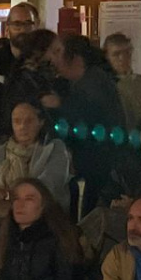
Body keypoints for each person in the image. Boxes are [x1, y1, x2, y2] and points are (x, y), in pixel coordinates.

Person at [55, 36, 126, 208]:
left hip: (94, 166)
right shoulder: (92, 81)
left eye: (59, 54)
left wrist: (58, 107)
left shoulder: (91, 87)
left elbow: (83, 126)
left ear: (76, 59)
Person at [0, 100, 72, 216]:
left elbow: (48, 186)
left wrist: (5, 195)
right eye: (17, 121)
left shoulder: (54, 149)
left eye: (29, 121)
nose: (22, 126)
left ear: (41, 122)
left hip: (36, 216)